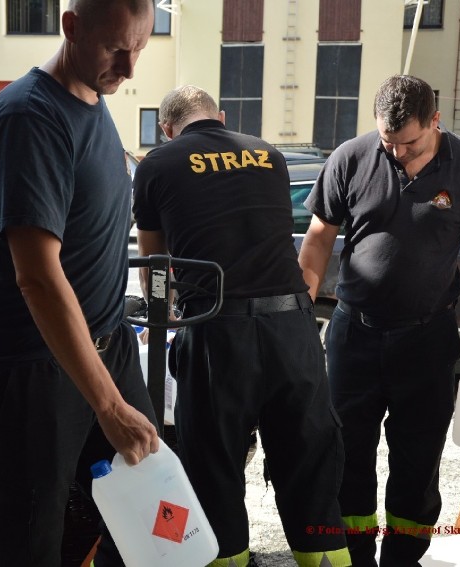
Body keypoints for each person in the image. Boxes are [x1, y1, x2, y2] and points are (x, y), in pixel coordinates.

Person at [0, 1, 159, 565]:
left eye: (140, 49)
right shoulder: (29, 117)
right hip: (32, 370)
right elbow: (39, 279)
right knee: (30, 543)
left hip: (106, 347)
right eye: (115, 49)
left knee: (147, 519)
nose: (129, 68)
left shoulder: (94, 98)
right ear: (70, 27)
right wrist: (110, 406)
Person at [132, 85, 352, 567]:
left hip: (217, 333)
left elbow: (154, 263)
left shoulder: (157, 164)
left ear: (168, 130)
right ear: (221, 116)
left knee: (214, 469)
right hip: (293, 328)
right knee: (309, 464)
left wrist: (157, 320)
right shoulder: (268, 155)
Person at [298, 74, 460, 566]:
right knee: (347, 456)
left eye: (409, 144)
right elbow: (318, 236)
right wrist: (301, 310)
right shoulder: (351, 157)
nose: (396, 154)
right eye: (388, 143)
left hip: (428, 340)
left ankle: (403, 558)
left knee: (417, 461)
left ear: (435, 122)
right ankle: (354, 555)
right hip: (355, 336)